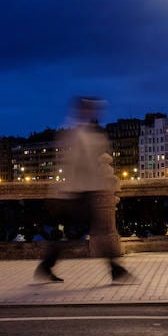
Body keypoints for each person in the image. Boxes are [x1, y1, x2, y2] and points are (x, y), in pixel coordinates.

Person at [34, 97, 133, 283]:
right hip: (76, 193)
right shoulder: (75, 135)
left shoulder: (88, 133)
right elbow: (70, 165)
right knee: (99, 231)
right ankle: (115, 269)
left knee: (77, 232)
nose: (94, 111)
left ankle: (46, 265)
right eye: (90, 108)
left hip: (83, 192)